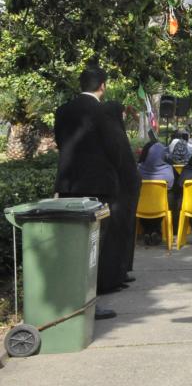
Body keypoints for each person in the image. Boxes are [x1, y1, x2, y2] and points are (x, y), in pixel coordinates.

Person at [53, 67, 126, 316]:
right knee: (94, 246)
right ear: (102, 86)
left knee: (72, 244)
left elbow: (60, 143)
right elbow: (114, 147)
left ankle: (68, 300)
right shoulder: (102, 111)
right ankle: (88, 304)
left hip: (68, 184)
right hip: (98, 186)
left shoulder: (63, 111)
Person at [101, 101, 140, 284]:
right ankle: (114, 275)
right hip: (121, 192)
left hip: (122, 192)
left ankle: (120, 272)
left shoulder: (113, 131)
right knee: (117, 236)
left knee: (121, 235)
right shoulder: (115, 133)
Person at [137, 133, 176, 246]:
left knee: (143, 201)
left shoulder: (139, 169)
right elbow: (171, 186)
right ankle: (155, 231)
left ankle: (147, 231)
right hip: (160, 208)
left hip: (141, 209)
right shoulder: (168, 170)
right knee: (168, 198)